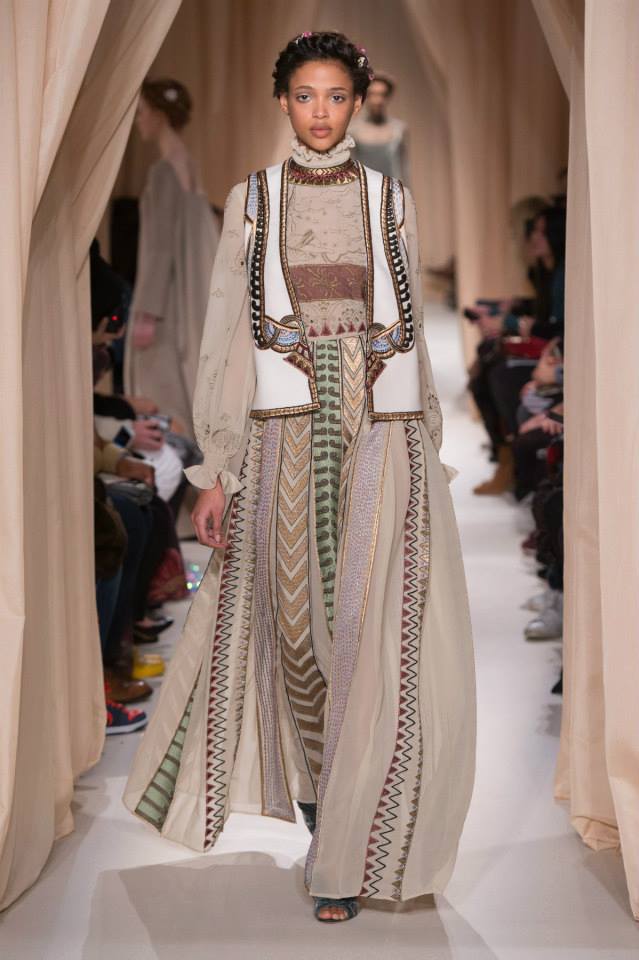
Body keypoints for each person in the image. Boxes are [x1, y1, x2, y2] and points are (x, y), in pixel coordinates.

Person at [124, 31, 476, 924]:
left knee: (366, 635)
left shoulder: (389, 198)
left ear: (355, 102)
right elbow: (224, 337)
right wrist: (214, 469)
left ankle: (343, 851)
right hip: (280, 438)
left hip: (377, 438)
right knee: (293, 638)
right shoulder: (254, 200)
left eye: (335, 96)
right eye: (305, 95)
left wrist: (426, 450)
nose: (320, 111)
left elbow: (405, 330)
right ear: (283, 101)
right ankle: (324, 814)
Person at [124, 78, 220, 437]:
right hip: (187, 296)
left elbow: (159, 247)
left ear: (159, 114)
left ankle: (177, 465)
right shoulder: (188, 165)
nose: (139, 121)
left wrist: (147, 312)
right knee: (184, 382)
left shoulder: (165, 171)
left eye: (142, 112)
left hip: (165, 302)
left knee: (162, 391)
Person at [348, 72, 410, 182]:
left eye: (383, 94)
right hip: (363, 190)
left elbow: (403, 170)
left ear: (388, 96)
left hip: (392, 190)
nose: (378, 100)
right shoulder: (353, 130)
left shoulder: (398, 130)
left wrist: (406, 191)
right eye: (373, 94)